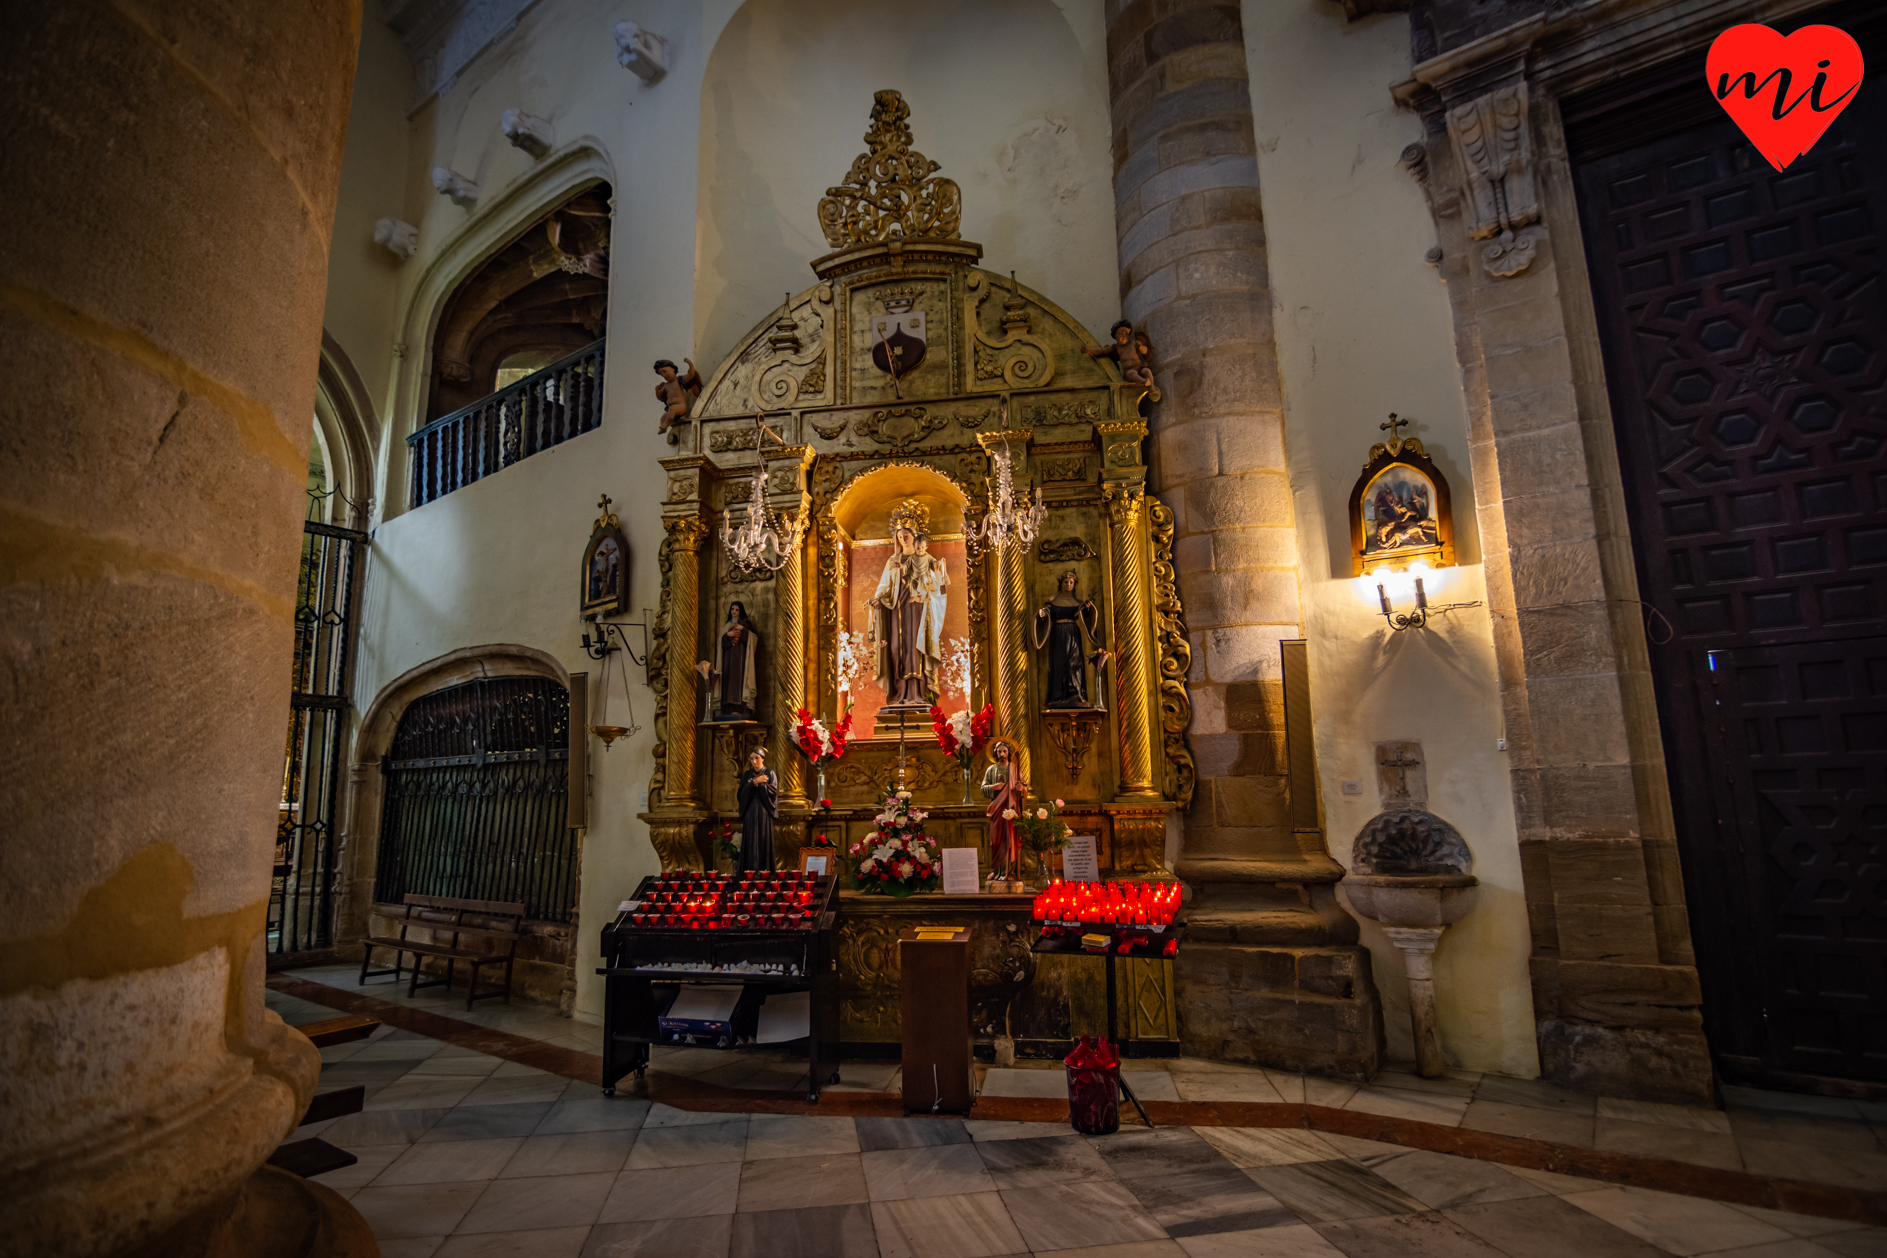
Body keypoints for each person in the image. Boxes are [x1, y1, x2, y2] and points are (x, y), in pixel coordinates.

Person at [870, 500, 949, 710]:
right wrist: (878, 599)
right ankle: (899, 694)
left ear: (916, 538)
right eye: (899, 534)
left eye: (907, 534)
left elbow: (937, 583)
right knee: (896, 649)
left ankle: (919, 695)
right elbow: (884, 585)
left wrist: (938, 573)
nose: (902, 538)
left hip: (920, 609)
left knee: (917, 650)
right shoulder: (892, 561)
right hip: (897, 611)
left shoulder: (926, 558)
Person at [1032, 570, 1110, 709]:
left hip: (1073, 634)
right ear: (1061, 584)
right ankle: (1057, 695)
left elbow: (1087, 615)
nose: (1068, 585)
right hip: (1057, 634)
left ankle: (1075, 693)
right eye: (1066, 582)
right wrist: (1042, 614)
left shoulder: (1078, 603)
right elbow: (1046, 614)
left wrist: (1087, 609)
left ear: (1075, 585)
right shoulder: (1052, 602)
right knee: (1058, 663)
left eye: (1071, 582)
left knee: (1074, 663)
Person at [697, 601, 760, 720]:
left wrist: (743, 631)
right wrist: (728, 635)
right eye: (732, 609)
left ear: (740, 611)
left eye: (736, 610)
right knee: (728, 684)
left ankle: (742, 709)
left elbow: (754, 639)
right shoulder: (727, 626)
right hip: (728, 662)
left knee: (739, 683)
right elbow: (720, 642)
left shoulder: (746, 624)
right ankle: (728, 709)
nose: (734, 612)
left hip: (741, 663)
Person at [981, 738, 1027, 880]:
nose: (1002, 753)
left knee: (1010, 840)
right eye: (999, 751)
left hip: (1011, 810)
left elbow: (1024, 787)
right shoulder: (991, 770)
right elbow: (983, 788)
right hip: (996, 810)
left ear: (1008, 753)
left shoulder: (1014, 768)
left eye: (1004, 751)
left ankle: (1011, 872)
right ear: (995, 753)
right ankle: (996, 871)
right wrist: (994, 787)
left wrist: (1021, 789)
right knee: (996, 841)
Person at [1084, 320, 1160, 401]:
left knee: (1147, 371)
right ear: (1115, 335)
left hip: (1139, 367)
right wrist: (1089, 350)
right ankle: (1144, 381)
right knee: (1131, 374)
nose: (1123, 336)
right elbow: (1101, 351)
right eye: (1120, 333)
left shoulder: (1132, 343)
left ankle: (1151, 387)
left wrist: (1141, 348)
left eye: (1126, 334)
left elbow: (1145, 351)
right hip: (1129, 370)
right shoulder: (1115, 348)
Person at [737, 747, 777, 872]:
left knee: (763, 840)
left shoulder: (770, 774)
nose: (754, 761)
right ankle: (748, 872)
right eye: (751, 759)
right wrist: (752, 783)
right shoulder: (747, 775)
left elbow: (773, 794)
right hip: (750, 811)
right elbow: (740, 794)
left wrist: (760, 786)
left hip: (764, 811)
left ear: (763, 758)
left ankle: (765, 872)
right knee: (750, 841)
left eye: (757, 758)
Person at [653, 357, 701, 438]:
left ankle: (664, 426)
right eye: (662, 374)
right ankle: (664, 426)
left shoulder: (679, 380)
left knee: (672, 409)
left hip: (681, 406)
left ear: (672, 369)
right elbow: (661, 397)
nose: (664, 376)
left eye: (664, 372)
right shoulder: (666, 385)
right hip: (671, 409)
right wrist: (657, 391)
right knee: (663, 417)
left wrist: (690, 363)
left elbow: (691, 374)